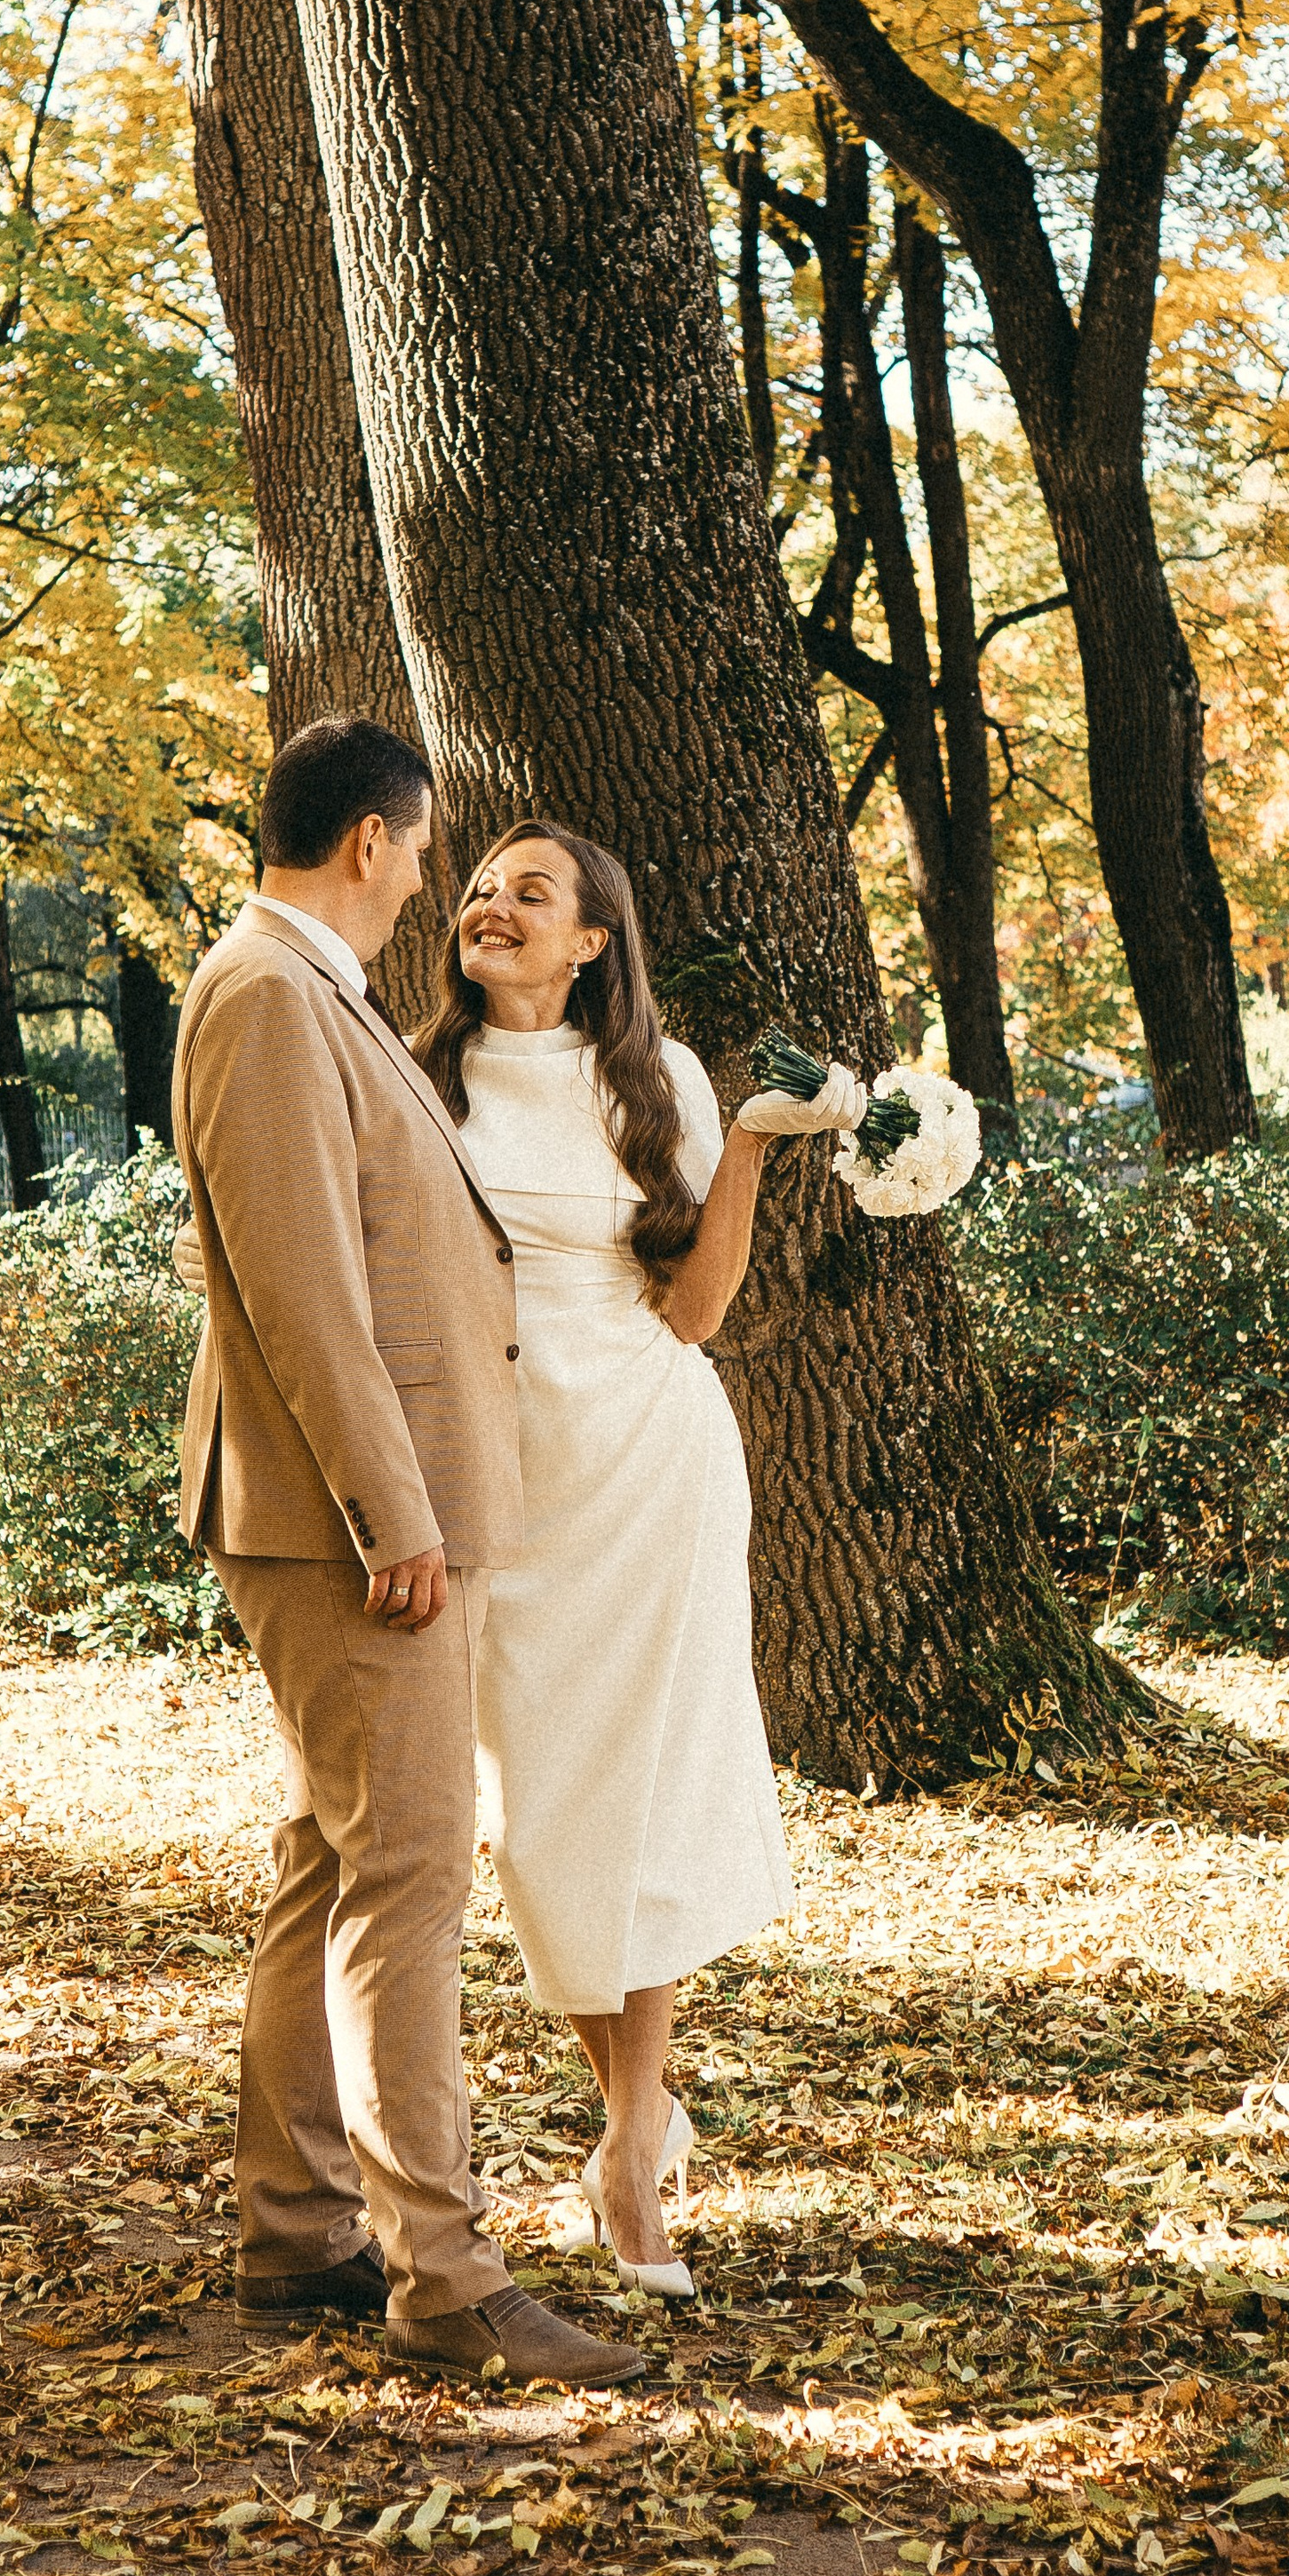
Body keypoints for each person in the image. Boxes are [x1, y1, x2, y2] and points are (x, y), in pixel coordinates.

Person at [171, 718, 644, 2391]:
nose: (437, 872)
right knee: (412, 1880)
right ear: (370, 840)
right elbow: (305, 1293)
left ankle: (297, 2230)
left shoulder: (314, 995)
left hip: (360, 1517)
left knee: (333, 1862)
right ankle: (442, 2276)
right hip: (348, 1528)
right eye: (429, 841)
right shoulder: (267, 999)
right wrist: (397, 1517)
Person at [414, 821, 862, 2297]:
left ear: (591, 940)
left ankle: (623, 2156)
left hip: (649, 1467)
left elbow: (697, 1311)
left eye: (528, 893)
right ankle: (644, 2114)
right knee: (534, 1825)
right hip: (498, 1480)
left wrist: (739, 1143)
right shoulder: (415, 1074)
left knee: (641, 1804)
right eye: (480, 887)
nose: (491, 904)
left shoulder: (649, 1080)